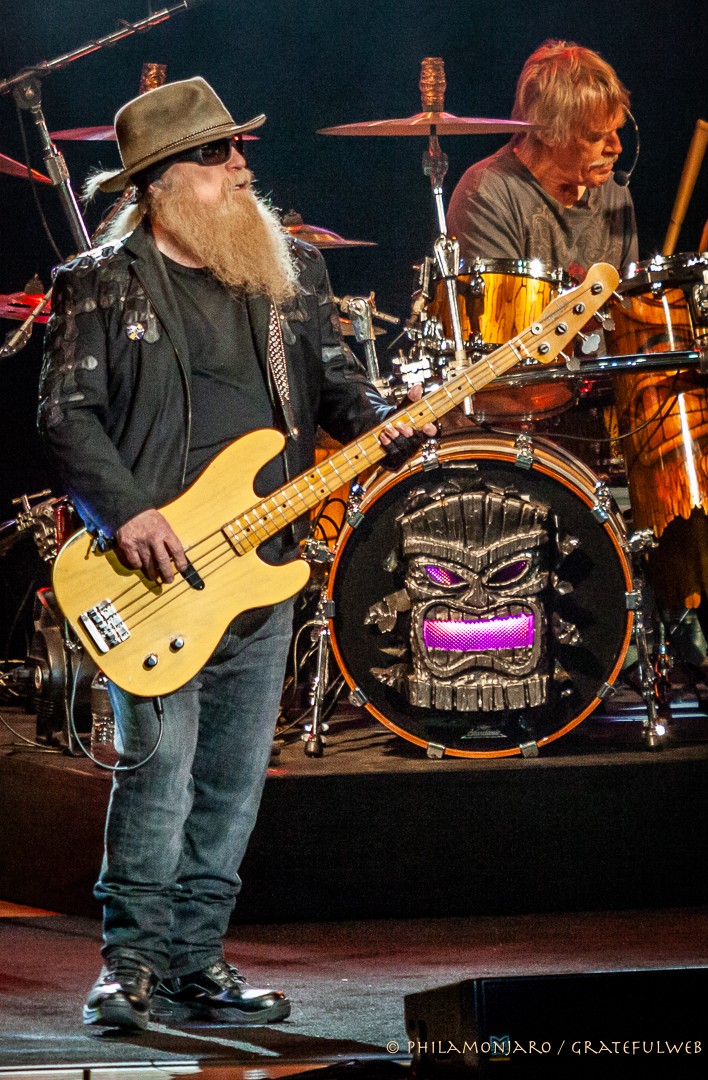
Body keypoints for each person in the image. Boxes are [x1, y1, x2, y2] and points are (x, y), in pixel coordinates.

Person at [39, 76, 434, 1032]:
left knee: (229, 782)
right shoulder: (101, 281)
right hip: (153, 574)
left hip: (262, 570)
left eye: (239, 149)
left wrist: (388, 421)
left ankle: (195, 966)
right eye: (217, 155)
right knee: (158, 770)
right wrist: (127, 513)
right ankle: (128, 969)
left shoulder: (286, 269)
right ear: (163, 182)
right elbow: (65, 415)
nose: (240, 165)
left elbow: (336, 383)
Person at [446, 39, 639, 279]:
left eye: (617, 130)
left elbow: (629, 305)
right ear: (546, 132)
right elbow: (505, 316)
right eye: (595, 137)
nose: (617, 147)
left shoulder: (615, 194)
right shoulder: (487, 195)